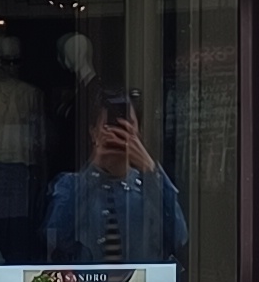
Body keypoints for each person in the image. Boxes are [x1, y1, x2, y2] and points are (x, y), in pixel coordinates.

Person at [43, 88, 188, 263]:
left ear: (138, 132)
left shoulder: (150, 187)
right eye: (109, 126)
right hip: (87, 280)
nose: (117, 134)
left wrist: (150, 170)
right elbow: (55, 240)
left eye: (126, 126)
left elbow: (179, 238)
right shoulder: (69, 186)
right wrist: (94, 168)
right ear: (93, 132)